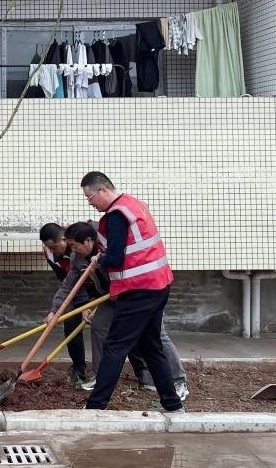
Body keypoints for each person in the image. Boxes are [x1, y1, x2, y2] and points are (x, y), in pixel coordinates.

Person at [79, 171, 184, 413]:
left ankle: (95, 407)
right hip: (158, 285)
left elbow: (115, 258)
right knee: (151, 346)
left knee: (115, 346)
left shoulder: (116, 215)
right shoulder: (133, 204)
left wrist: (99, 261)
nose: (90, 202)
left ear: (104, 190)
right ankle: (172, 404)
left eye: (90, 196)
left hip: (139, 290)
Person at [59, 222, 189, 399]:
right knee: (98, 326)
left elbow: (128, 267)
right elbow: (68, 285)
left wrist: (118, 287)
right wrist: (54, 311)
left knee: (158, 335)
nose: (72, 251)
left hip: (137, 294)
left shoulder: (109, 249)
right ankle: (99, 376)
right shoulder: (77, 258)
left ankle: (179, 380)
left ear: (88, 241)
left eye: (74, 246)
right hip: (110, 297)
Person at [41, 222, 89, 387]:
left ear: (65, 239)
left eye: (54, 247)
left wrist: (86, 305)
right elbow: (67, 281)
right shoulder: (50, 253)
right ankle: (79, 369)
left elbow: (84, 277)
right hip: (75, 285)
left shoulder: (80, 242)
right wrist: (55, 310)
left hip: (101, 284)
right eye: (50, 248)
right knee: (71, 323)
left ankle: (141, 370)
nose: (53, 251)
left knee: (107, 326)